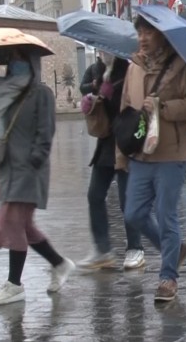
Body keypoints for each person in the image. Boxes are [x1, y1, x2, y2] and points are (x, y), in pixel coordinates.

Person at [0, 49, 75, 306]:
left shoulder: (41, 94)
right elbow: (1, 133)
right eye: (12, 58)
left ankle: (14, 284)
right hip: (10, 169)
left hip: (30, 171)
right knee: (25, 227)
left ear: (32, 63)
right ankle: (60, 263)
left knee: (13, 224)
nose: (15, 63)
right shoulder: (8, 92)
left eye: (21, 58)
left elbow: (46, 133)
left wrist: (34, 160)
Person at [117, 16, 186, 302]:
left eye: (149, 32)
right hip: (142, 154)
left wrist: (162, 107)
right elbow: (125, 112)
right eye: (140, 32)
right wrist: (122, 154)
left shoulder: (182, 66)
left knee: (167, 215)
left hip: (172, 154)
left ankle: (168, 278)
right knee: (133, 213)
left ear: (162, 36)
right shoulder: (133, 67)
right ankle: (176, 249)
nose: (143, 38)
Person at [77, 54, 145, 271]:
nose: (102, 53)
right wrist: (95, 92)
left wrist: (110, 93)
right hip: (106, 143)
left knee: (127, 201)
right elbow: (83, 86)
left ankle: (135, 248)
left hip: (124, 141)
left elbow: (131, 104)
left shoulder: (127, 69)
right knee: (94, 195)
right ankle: (102, 249)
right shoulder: (97, 68)